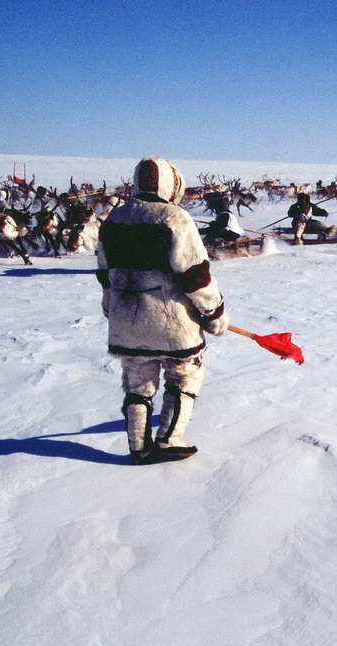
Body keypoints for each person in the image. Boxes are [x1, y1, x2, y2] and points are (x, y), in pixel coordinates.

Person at [96, 156, 228, 465]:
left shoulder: (114, 219)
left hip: (125, 317)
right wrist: (214, 313)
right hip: (171, 321)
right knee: (184, 374)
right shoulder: (174, 218)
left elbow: (105, 271)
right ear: (171, 184)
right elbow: (195, 275)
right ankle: (169, 440)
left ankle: (139, 447)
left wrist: (109, 306)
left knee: (137, 380)